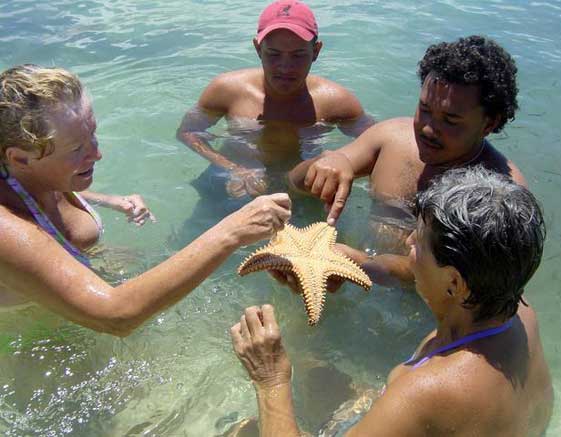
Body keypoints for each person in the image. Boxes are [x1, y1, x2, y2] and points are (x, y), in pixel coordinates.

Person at [231, 167, 553, 437]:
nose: (408, 241)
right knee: (315, 372)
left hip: (415, 406)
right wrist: (359, 264)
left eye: (418, 241)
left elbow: (427, 400)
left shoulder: (425, 392)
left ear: (454, 283)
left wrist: (270, 379)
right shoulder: (517, 310)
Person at [0, 64, 291, 336]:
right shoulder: (5, 227)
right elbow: (115, 316)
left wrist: (109, 200)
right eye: (77, 148)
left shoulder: (43, 175)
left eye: (93, 135)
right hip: (38, 339)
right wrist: (233, 231)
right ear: (20, 158)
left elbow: (45, 195)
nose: (97, 154)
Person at [288, 35, 526, 284]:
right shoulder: (392, 138)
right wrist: (327, 163)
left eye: (450, 120)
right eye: (424, 109)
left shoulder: (500, 194)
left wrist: (360, 265)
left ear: (489, 123)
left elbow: (457, 281)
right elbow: (291, 182)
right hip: (354, 267)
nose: (428, 129)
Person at [177, 0, 373, 203]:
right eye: (273, 54)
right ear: (258, 49)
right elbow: (188, 132)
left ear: (316, 51)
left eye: (298, 55)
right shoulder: (227, 89)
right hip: (231, 184)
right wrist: (233, 169)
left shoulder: (336, 102)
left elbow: (378, 144)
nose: (285, 67)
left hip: (300, 187)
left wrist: (341, 160)